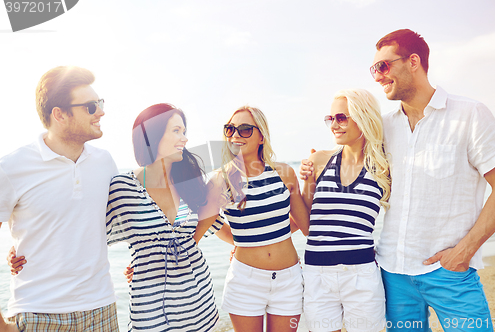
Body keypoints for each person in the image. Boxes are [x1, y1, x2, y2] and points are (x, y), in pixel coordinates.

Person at [302, 29, 495, 332]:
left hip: (449, 271)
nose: (377, 77)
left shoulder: (470, 114)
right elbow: (346, 148)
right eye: (373, 70)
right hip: (392, 275)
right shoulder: (382, 129)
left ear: (413, 62)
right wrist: (309, 165)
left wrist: (465, 251)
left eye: (383, 66)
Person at [0, 66, 119, 331]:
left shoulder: (105, 163)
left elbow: (124, 220)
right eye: (90, 106)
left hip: (102, 311)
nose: (101, 111)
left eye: (100, 103)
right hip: (38, 314)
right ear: (59, 114)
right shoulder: (11, 168)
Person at [106, 103, 229, 331]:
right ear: (151, 135)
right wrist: (24, 253)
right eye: (176, 131)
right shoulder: (123, 187)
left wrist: (242, 250)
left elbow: (218, 226)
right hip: (150, 316)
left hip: (201, 310)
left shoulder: (189, 186)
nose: (184, 138)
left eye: (184, 131)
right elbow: (88, 235)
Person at [195, 106, 310, 332]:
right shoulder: (221, 179)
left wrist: (311, 181)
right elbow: (205, 226)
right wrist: (242, 240)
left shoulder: (284, 173)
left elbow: (304, 225)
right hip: (245, 281)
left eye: (245, 129)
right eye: (230, 129)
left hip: (289, 279)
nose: (236, 135)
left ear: (261, 136)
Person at [301, 89, 390, 332]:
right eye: (330, 119)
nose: (334, 125)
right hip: (317, 272)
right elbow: (306, 222)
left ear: (363, 117)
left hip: (361, 274)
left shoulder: (383, 166)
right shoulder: (319, 160)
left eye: (341, 118)